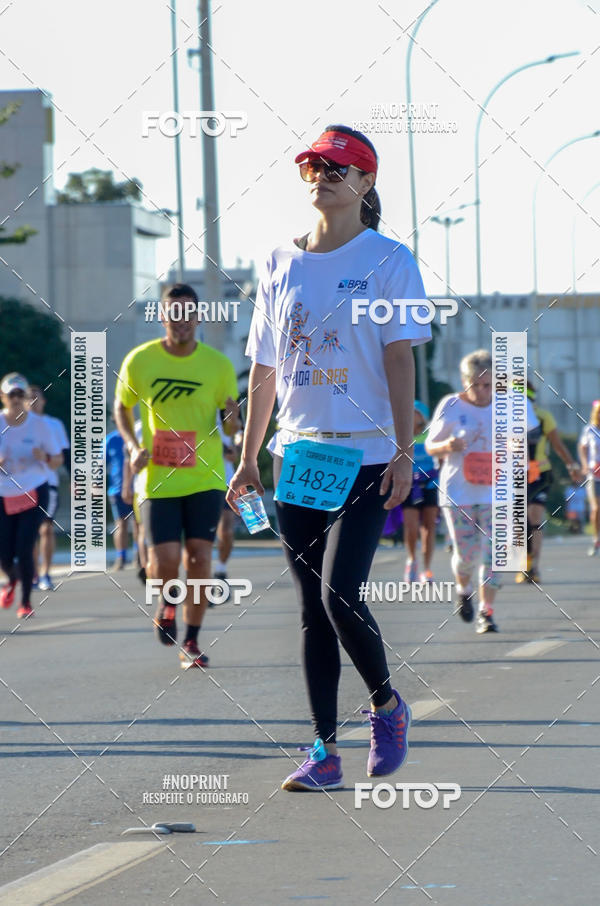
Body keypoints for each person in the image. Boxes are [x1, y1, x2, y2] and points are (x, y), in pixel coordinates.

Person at [227, 125, 431, 791]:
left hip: (370, 458)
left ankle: (387, 705)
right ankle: (323, 751)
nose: (323, 175)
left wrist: (404, 451)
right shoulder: (278, 263)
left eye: (339, 168)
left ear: (365, 183)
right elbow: (263, 366)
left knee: (340, 594)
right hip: (301, 458)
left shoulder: (390, 259)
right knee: (312, 611)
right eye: (313, 165)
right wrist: (250, 454)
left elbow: (400, 358)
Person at [114, 283, 240, 668]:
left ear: (198, 318)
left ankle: (192, 641)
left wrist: (234, 418)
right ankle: (167, 600)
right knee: (165, 561)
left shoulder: (218, 366)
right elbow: (122, 408)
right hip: (159, 478)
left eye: (189, 313)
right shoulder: (140, 360)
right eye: (175, 313)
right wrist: (134, 446)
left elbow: (232, 426)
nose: (182, 320)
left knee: (200, 557)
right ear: (163, 318)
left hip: (205, 477)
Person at [425, 350, 500, 633]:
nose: (481, 392)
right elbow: (431, 445)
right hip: (459, 493)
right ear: (464, 381)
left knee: (495, 555)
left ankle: (487, 612)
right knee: (467, 556)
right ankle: (463, 588)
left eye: (488, 385)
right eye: (475, 385)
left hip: (496, 494)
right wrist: (448, 446)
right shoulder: (452, 405)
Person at [0, 374, 62, 618]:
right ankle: (12, 578)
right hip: (4, 494)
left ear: (26, 398)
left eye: (20, 395)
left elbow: (57, 460)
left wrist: (44, 457)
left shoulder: (40, 425)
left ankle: (25, 601)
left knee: (25, 547)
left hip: (34, 490)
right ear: (2, 397)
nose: (16, 399)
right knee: (4, 550)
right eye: (11, 395)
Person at [515, 381, 582, 583]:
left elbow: (558, 445)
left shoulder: (543, 417)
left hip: (540, 474)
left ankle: (534, 567)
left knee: (535, 520)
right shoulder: (504, 418)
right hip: (515, 476)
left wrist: (571, 466)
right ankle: (524, 564)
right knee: (521, 524)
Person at [25, 385, 68, 591]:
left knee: (46, 529)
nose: (32, 402)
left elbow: (64, 455)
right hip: (23, 486)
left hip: (48, 483)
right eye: (29, 398)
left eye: (36, 398)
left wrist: (74, 478)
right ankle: (33, 573)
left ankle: (45, 574)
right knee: (30, 531)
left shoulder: (54, 424)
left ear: (43, 401)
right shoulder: (15, 425)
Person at [402, 401, 439, 583]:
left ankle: (427, 569)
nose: (413, 416)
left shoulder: (432, 434)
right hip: (410, 485)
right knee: (411, 526)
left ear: (422, 416)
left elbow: (440, 456)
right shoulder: (402, 435)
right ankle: (411, 561)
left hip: (430, 484)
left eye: (416, 412)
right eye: (411, 412)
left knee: (429, 528)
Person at [105, 425, 133, 570]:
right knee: (121, 524)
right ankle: (121, 557)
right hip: (117, 489)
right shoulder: (110, 440)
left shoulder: (137, 434)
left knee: (140, 525)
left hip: (140, 488)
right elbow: (100, 463)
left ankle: (140, 556)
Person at [578, 399, 600, 556]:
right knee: (596, 508)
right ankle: (596, 539)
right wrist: (585, 464)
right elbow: (582, 447)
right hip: (595, 473)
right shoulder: (590, 430)